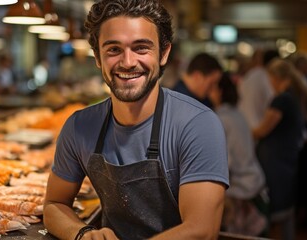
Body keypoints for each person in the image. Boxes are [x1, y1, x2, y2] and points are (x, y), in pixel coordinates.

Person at [43, 0, 229, 239]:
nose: (128, 62)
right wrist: (83, 233)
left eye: (141, 48)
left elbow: (201, 230)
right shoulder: (79, 127)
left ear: (163, 54)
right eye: (113, 49)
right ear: (98, 57)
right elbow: (54, 204)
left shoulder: (198, 125)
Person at [252, 59, 307, 240]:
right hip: (287, 159)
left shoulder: (282, 100)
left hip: (275, 162)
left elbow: (262, 130)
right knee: (286, 212)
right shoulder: (294, 96)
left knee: (277, 213)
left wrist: (242, 127)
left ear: (276, 78)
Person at [209, 72, 267, 236]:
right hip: (255, 183)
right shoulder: (237, 114)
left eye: (213, 87)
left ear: (220, 91)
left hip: (239, 190)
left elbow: (226, 163)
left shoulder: (219, 118)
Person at [238, 49, 280, 128]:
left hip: (245, 124)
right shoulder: (267, 77)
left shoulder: (249, 75)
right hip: (259, 126)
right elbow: (273, 103)